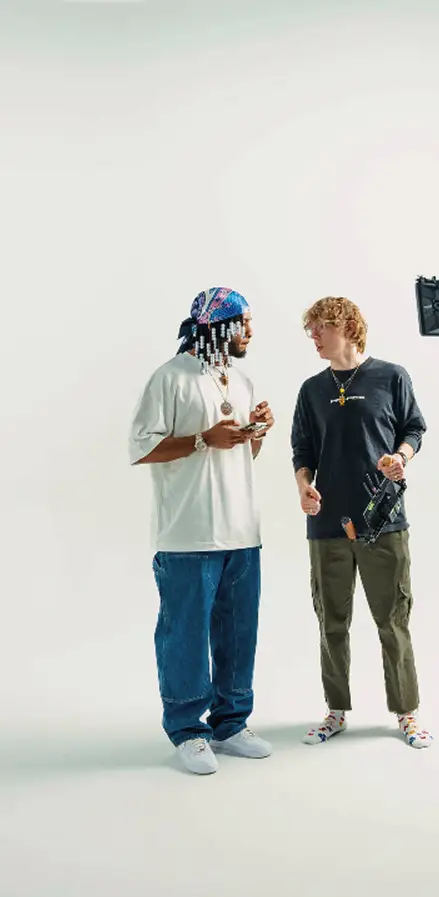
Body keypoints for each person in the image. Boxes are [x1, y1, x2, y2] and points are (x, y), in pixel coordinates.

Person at [128, 287, 276, 775]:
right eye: (243, 323)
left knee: (239, 632)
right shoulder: (171, 377)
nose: (250, 332)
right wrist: (199, 440)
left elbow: (242, 458)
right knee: (185, 635)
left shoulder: (241, 380)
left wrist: (255, 433)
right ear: (216, 325)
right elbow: (141, 448)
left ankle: (231, 724)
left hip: (242, 530)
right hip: (188, 535)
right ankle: (189, 730)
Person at [290, 295, 433, 749]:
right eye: (310, 330)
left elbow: (414, 428)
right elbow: (302, 451)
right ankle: (336, 711)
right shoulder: (311, 390)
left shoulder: (391, 376)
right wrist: (304, 487)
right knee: (331, 621)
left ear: (347, 326)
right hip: (327, 524)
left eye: (319, 328)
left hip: (382, 521)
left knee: (393, 620)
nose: (313, 336)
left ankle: (406, 714)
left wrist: (401, 457)